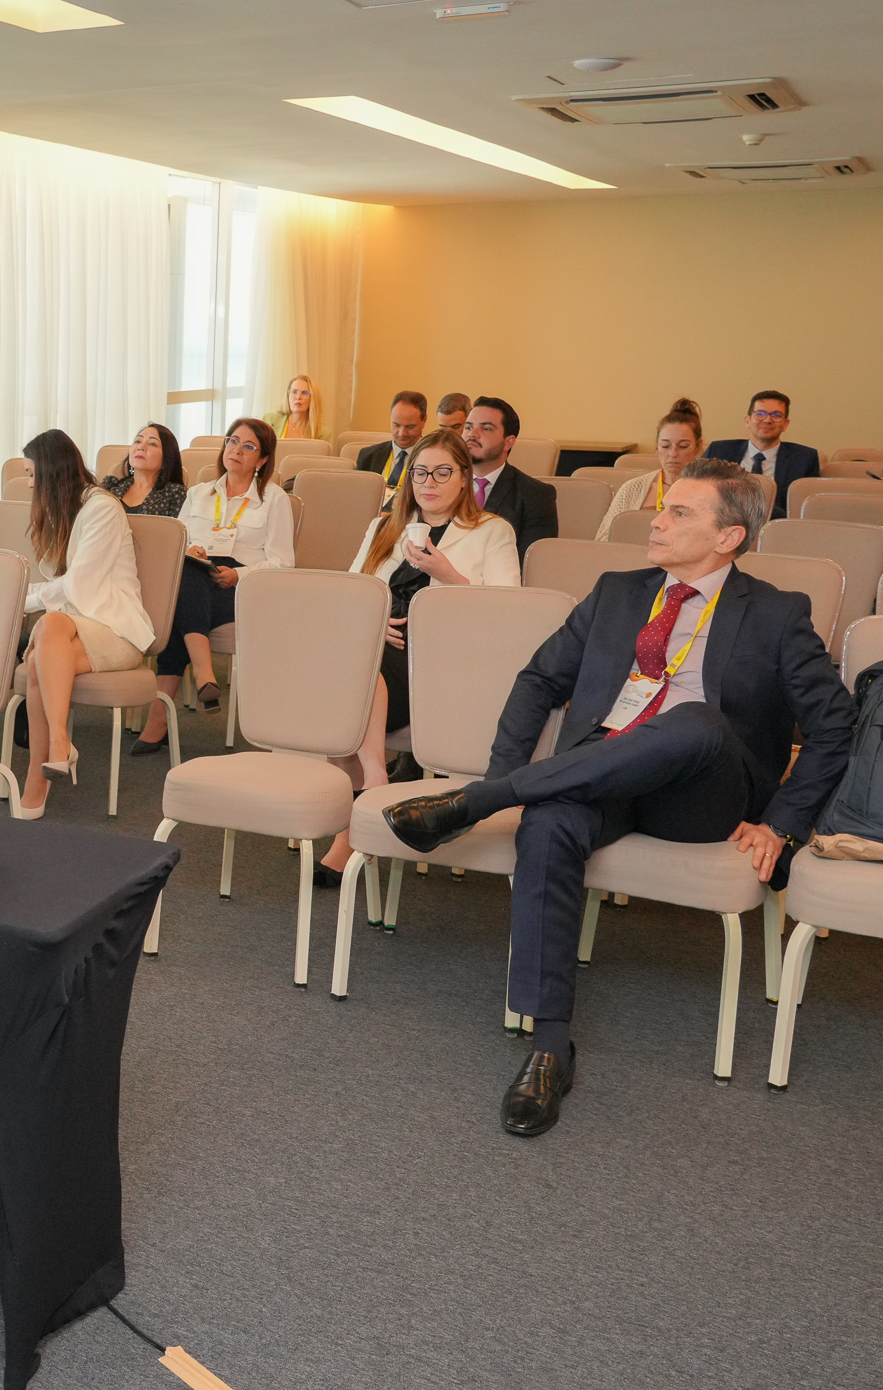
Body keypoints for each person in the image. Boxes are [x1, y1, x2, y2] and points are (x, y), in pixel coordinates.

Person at [378, 458, 853, 1138]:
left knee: (692, 721)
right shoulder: (617, 591)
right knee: (547, 821)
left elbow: (838, 725)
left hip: (701, 794)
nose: (657, 519)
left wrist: (782, 823)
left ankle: (477, 802)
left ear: (729, 538)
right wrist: (514, 764)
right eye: (662, 507)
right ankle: (549, 1045)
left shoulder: (776, 613)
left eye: (681, 512)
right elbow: (539, 679)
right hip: (599, 774)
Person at [312, 428, 519, 881]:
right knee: (348, 669)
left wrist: (445, 574)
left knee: (354, 677)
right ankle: (370, 795)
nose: (429, 481)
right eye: (420, 472)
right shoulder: (383, 527)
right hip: (376, 651)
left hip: (443, 664)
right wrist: (372, 620)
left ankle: (365, 802)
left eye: (443, 472)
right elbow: (352, 593)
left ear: (464, 478)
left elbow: (508, 617)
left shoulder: (492, 531)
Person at [14, 430, 155, 818]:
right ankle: (57, 751)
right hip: (71, 628)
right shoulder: (66, 509)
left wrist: (17, 602)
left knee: (47, 632)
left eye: (31, 474)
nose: (28, 484)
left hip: (115, 628)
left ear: (51, 472)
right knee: (49, 633)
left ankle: (39, 771)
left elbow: (79, 586)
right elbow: (61, 589)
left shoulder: (102, 508)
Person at [147, 418, 295, 721]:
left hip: (244, 585)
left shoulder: (274, 499)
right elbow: (180, 540)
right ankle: (203, 675)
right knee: (188, 572)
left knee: (177, 613)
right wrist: (189, 550)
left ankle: (159, 718)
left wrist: (238, 575)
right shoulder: (199, 493)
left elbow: (283, 562)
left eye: (249, 446)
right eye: (232, 441)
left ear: (263, 459)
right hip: (198, 570)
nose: (237, 450)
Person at [462, 395, 558, 557]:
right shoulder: (440, 481)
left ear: (508, 442)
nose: (473, 434)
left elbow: (532, 563)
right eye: (468, 427)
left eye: (486, 428)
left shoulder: (535, 495)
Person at [596, 399, 706, 539]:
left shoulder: (711, 492)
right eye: (665, 446)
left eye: (683, 446)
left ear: (698, 446)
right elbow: (603, 538)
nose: (673, 454)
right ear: (656, 446)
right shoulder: (632, 488)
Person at [703, 390, 820, 519]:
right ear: (747, 420)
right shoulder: (718, 451)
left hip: (776, 530)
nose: (767, 420)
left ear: (785, 424)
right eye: (760, 414)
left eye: (776, 415)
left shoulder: (804, 458)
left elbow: (806, 511)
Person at [103, 422, 190, 517]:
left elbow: (176, 531)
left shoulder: (175, 494)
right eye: (137, 441)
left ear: (167, 457)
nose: (141, 447)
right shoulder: (110, 487)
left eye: (152, 444)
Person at [352, 390, 428, 489]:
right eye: (396, 425)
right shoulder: (368, 456)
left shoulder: (433, 458)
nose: (402, 433)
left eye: (410, 427)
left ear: (424, 421)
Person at [265, 374, 328, 441]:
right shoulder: (269, 421)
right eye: (294, 392)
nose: (298, 397)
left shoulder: (323, 433)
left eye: (305, 393)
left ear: (313, 399)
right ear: (288, 395)